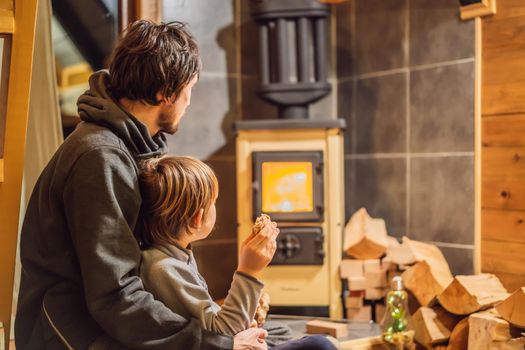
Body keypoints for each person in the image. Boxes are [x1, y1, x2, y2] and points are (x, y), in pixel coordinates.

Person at [15, 20, 274, 349]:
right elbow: (115, 293)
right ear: (164, 92)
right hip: (70, 334)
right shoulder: (101, 158)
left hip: (109, 322)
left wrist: (216, 325)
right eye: (189, 89)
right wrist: (213, 344)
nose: (189, 101)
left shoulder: (138, 146)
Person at [138, 156, 337, 350]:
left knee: (279, 331)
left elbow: (204, 319)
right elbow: (222, 335)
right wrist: (248, 271)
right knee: (321, 345)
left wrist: (244, 323)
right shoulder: (163, 268)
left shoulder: (173, 254)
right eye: (213, 202)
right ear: (198, 218)